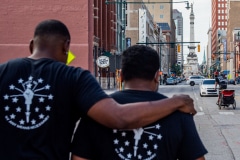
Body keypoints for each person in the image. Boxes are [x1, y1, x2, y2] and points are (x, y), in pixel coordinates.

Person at [0, 19, 196, 160]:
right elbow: (119, 117)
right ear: (66, 47)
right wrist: (176, 101)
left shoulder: (3, 72)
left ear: (31, 45)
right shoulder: (74, 78)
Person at [71, 45, 207, 160]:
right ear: (156, 76)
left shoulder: (97, 112)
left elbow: (78, 158)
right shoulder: (179, 113)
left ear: (121, 76)